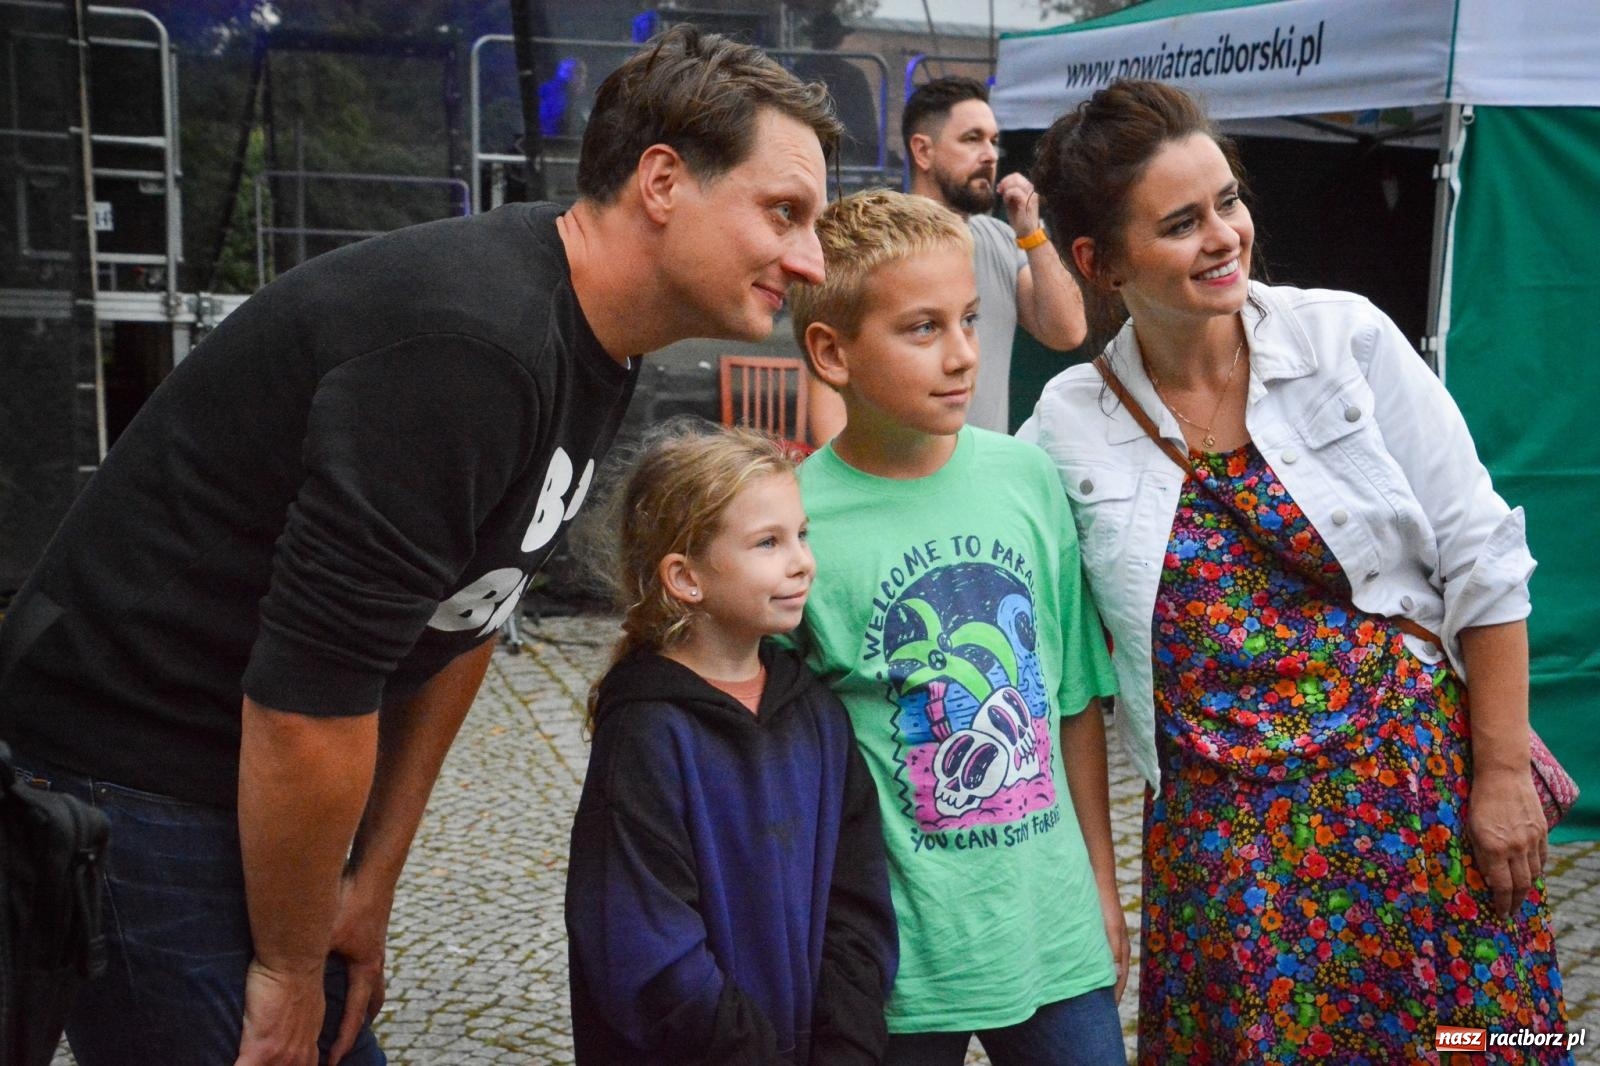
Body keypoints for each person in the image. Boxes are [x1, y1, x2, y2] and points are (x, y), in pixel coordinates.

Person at [0, 25, 839, 1066]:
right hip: (131, 772)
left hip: (238, 774)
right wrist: (290, 967)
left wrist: (372, 881)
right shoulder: (473, 347)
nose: (809, 259)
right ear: (663, 180)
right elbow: (306, 706)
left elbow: (474, 610)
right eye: (784, 213)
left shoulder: (598, 337)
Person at [1019, 79, 1570, 1063]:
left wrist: (1497, 774)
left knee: (1479, 1042)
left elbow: (1480, 550)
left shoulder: (1342, 338)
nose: (1224, 235)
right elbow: (1009, 575)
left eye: (1227, 200)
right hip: (1229, 870)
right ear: (1100, 263)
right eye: (1180, 222)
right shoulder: (1067, 423)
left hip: (1417, 811)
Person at [790, 189, 1126, 1065]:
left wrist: (1102, 881)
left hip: (1050, 933)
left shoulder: (1027, 477)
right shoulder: (793, 521)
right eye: (923, 329)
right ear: (831, 352)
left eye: (972, 319)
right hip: (896, 960)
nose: (965, 355)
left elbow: (1074, 701)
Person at [565, 423, 896, 1065]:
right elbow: (649, 951)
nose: (802, 561)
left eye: (802, 535)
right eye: (767, 542)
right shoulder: (647, 735)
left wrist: (845, 1048)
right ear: (686, 578)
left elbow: (857, 907)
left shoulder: (818, 718)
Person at [807, 76, 1085, 440]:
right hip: (898, 482)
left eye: (993, 141)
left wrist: (1032, 233)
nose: (989, 154)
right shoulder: (871, 241)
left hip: (982, 481)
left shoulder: (1004, 238)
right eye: (972, 139)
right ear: (923, 151)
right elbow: (829, 381)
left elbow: (1068, 332)